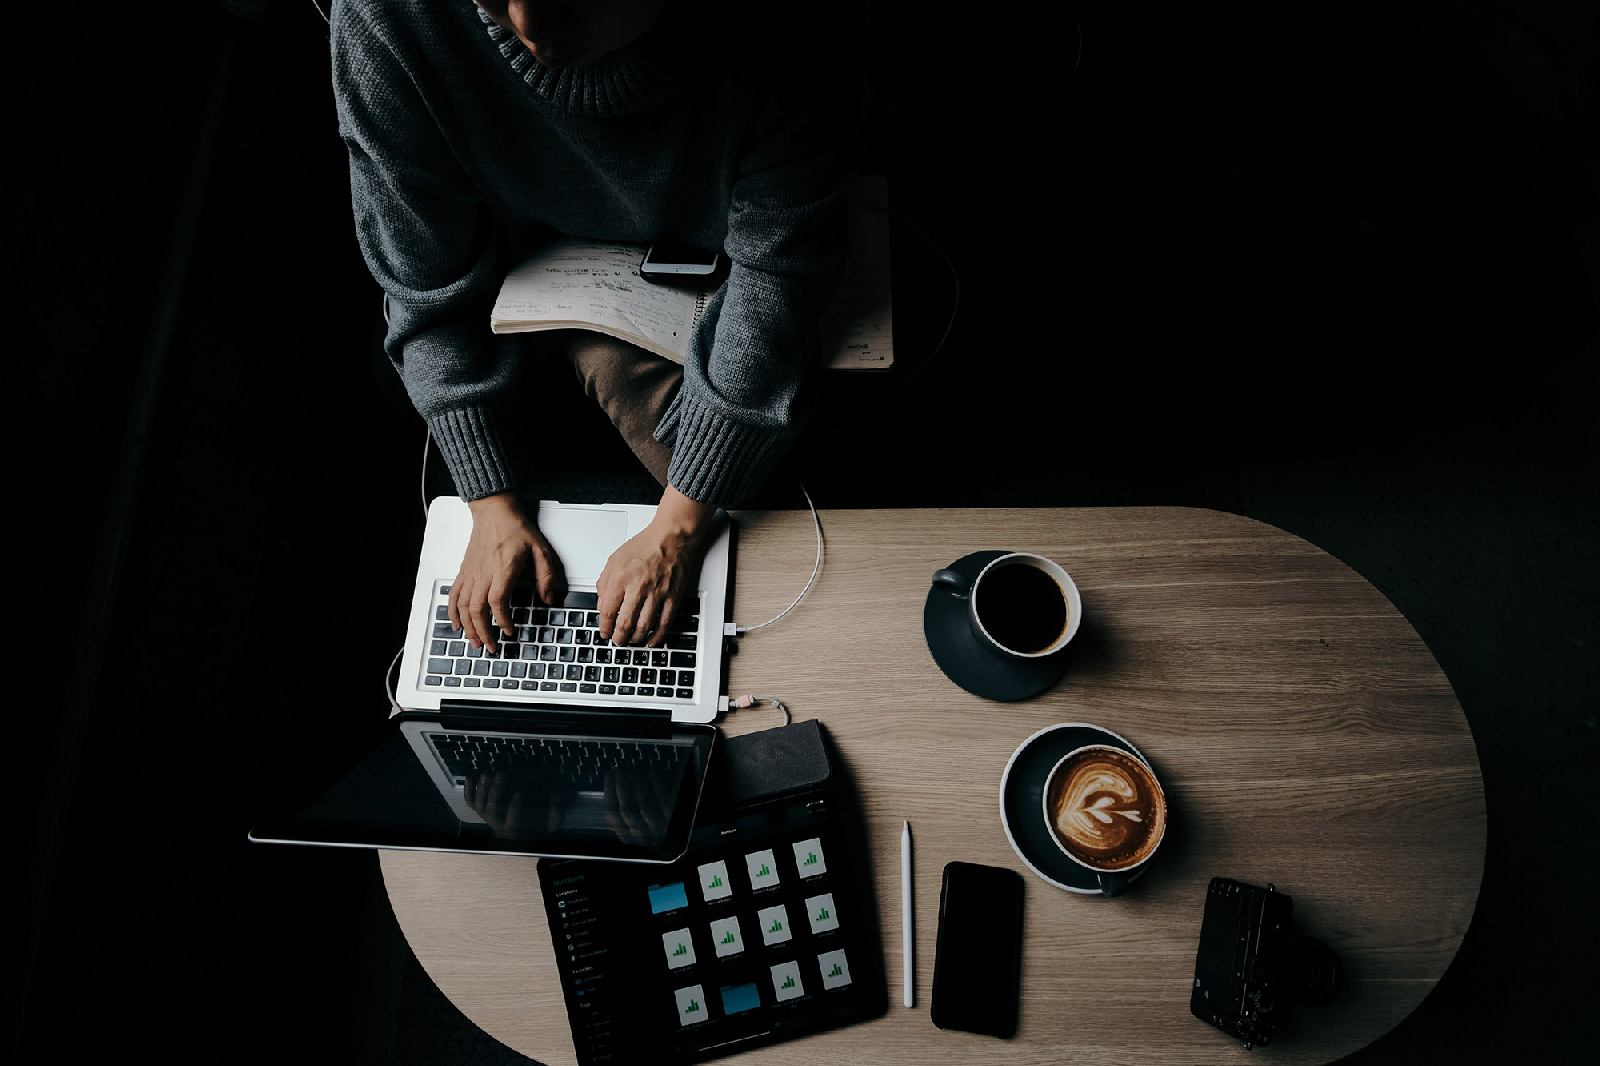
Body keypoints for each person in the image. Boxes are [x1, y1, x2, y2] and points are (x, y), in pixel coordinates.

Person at [332, 0, 866, 653]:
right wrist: (489, 504)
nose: (530, 23)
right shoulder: (383, 18)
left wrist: (677, 528)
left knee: (784, 534)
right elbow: (422, 284)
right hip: (524, 268)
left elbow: (779, 279)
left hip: (722, 260)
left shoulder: (797, 25)